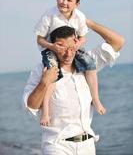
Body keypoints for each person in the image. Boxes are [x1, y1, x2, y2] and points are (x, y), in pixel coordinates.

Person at [23, 20, 125, 155]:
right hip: (57, 145)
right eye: (62, 48)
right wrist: (44, 82)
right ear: (53, 47)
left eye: (72, 48)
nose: (68, 54)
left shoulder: (87, 63)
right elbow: (30, 106)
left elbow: (118, 42)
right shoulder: (42, 70)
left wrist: (85, 22)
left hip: (88, 145)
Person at [35, 0, 105, 126]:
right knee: (52, 75)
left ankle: (96, 99)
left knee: (90, 65)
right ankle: (46, 113)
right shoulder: (49, 15)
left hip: (73, 47)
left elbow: (83, 37)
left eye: (69, 0)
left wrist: (75, 46)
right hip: (52, 49)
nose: (64, 2)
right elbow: (40, 40)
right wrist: (52, 47)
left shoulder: (79, 16)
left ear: (77, 4)